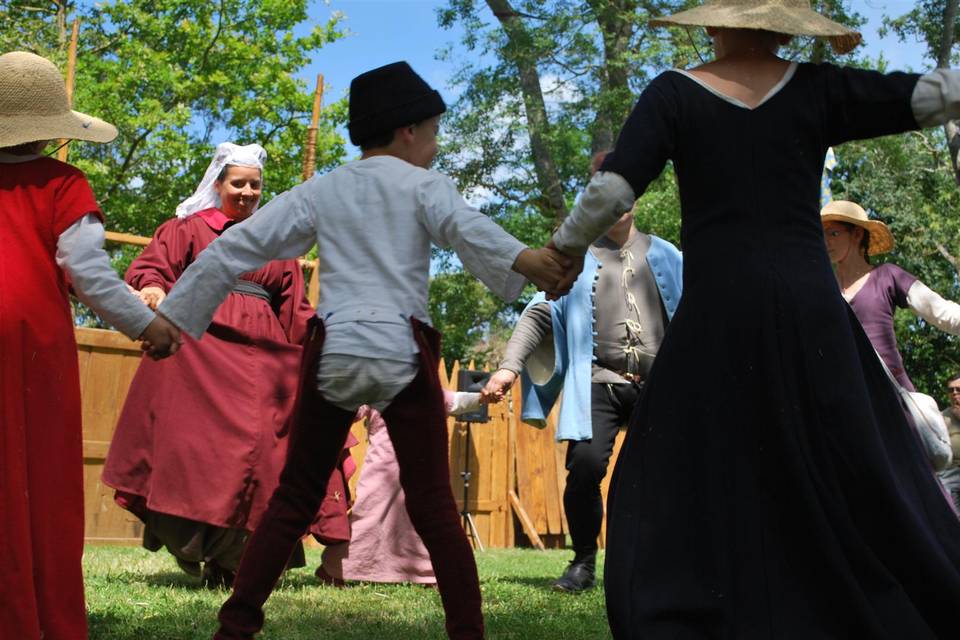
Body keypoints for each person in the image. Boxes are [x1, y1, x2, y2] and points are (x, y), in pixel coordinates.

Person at [541, 2, 960, 637]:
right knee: (850, 459)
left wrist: (564, 248)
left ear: (714, 22)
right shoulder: (820, 87)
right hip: (812, 312)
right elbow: (936, 96)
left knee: (696, 461)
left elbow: (614, 190)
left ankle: (713, 599)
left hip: (718, 315)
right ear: (782, 24)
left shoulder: (675, 93)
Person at [151, 61, 573, 640]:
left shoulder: (324, 189)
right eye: (432, 132)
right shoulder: (426, 186)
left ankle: (236, 626)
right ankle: (468, 633)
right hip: (402, 347)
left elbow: (234, 250)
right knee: (432, 505)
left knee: (294, 497)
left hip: (337, 350)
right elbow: (470, 230)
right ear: (406, 130)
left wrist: (174, 320)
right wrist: (534, 264)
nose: (434, 144)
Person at [101, 142, 356, 588]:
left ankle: (238, 562)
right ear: (218, 184)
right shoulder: (186, 230)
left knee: (261, 459)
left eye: (254, 185)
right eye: (237, 183)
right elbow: (151, 269)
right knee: (198, 454)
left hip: (262, 364)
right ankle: (195, 548)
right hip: (197, 354)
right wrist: (154, 290)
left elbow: (295, 310)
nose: (246, 192)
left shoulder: (277, 245)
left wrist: (321, 352)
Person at [0, 51, 179, 640]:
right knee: (40, 482)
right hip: (31, 346)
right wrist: (146, 325)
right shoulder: (64, 183)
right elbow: (89, 273)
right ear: (53, 127)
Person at [483, 151, 682, 593]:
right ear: (596, 194)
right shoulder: (575, 258)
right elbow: (537, 315)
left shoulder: (668, 255)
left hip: (661, 387)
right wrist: (508, 368)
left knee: (672, 472)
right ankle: (584, 563)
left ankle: (666, 563)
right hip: (598, 382)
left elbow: (698, 316)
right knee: (587, 466)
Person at [318, 390, 486, 587]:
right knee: (367, 517)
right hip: (381, 473)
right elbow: (349, 408)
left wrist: (483, 397)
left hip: (419, 474)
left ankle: (430, 574)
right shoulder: (376, 389)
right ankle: (335, 569)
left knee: (423, 523)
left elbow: (456, 401)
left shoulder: (425, 388)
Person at [822, 199, 960, 391]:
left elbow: (942, 312)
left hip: (891, 394)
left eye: (833, 233)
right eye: (822, 234)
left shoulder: (888, 276)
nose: (825, 240)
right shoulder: (824, 290)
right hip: (843, 395)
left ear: (857, 234)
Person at [940, 374, 960, 510]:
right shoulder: (940, 417)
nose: (954, 393)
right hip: (952, 472)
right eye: (951, 390)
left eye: (958, 389)